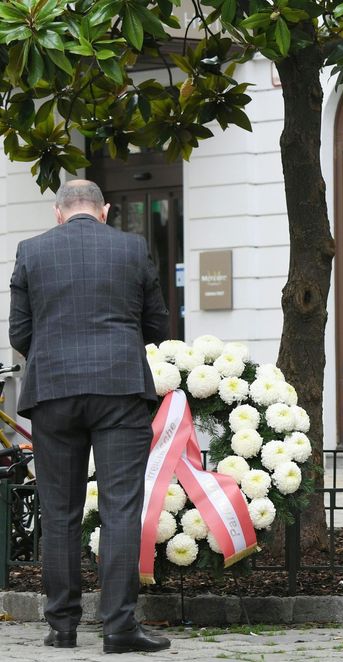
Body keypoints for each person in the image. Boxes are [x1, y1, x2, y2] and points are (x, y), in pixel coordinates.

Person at [8, 180, 171, 653]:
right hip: (119, 389)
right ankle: (120, 627)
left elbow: (20, 331)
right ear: (105, 211)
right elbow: (158, 325)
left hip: (53, 393)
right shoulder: (132, 246)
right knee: (121, 508)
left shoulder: (30, 250)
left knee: (60, 513)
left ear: (59, 213)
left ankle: (62, 627)